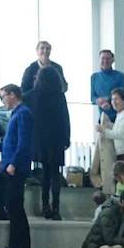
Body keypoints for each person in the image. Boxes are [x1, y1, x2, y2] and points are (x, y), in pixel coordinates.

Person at [29, 64, 71, 221]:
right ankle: (56, 208)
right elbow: (65, 119)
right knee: (55, 174)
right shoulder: (59, 96)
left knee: (45, 174)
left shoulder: (34, 95)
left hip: (41, 139)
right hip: (57, 138)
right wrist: (66, 138)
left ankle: (45, 205)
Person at [0, 84, 33, 248]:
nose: (2, 101)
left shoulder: (23, 113)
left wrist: (14, 163)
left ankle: (19, 247)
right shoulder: (16, 114)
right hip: (11, 165)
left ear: (12, 95)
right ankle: (19, 246)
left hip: (15, 168)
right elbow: (10, 142)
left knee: (15, 206)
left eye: (3, 97)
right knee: (13, 206)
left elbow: (23, 142)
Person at [100, 88, 124, 170]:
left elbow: (120, 134)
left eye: (116, 99)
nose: (113, 102)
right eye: (112, 99)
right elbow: (117, 130)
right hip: (123, 152)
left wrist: (103, 130)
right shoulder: (121, 115)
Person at [90, 49, 124, 124]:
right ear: (99, 60)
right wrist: (98, 101)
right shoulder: (94, 77)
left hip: (119, 117)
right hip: (102, 117)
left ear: (113, 60)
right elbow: (92, 97)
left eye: (108, 58)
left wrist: (108, 100)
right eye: (103, 58)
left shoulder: (119, 76)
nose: (105, 61)